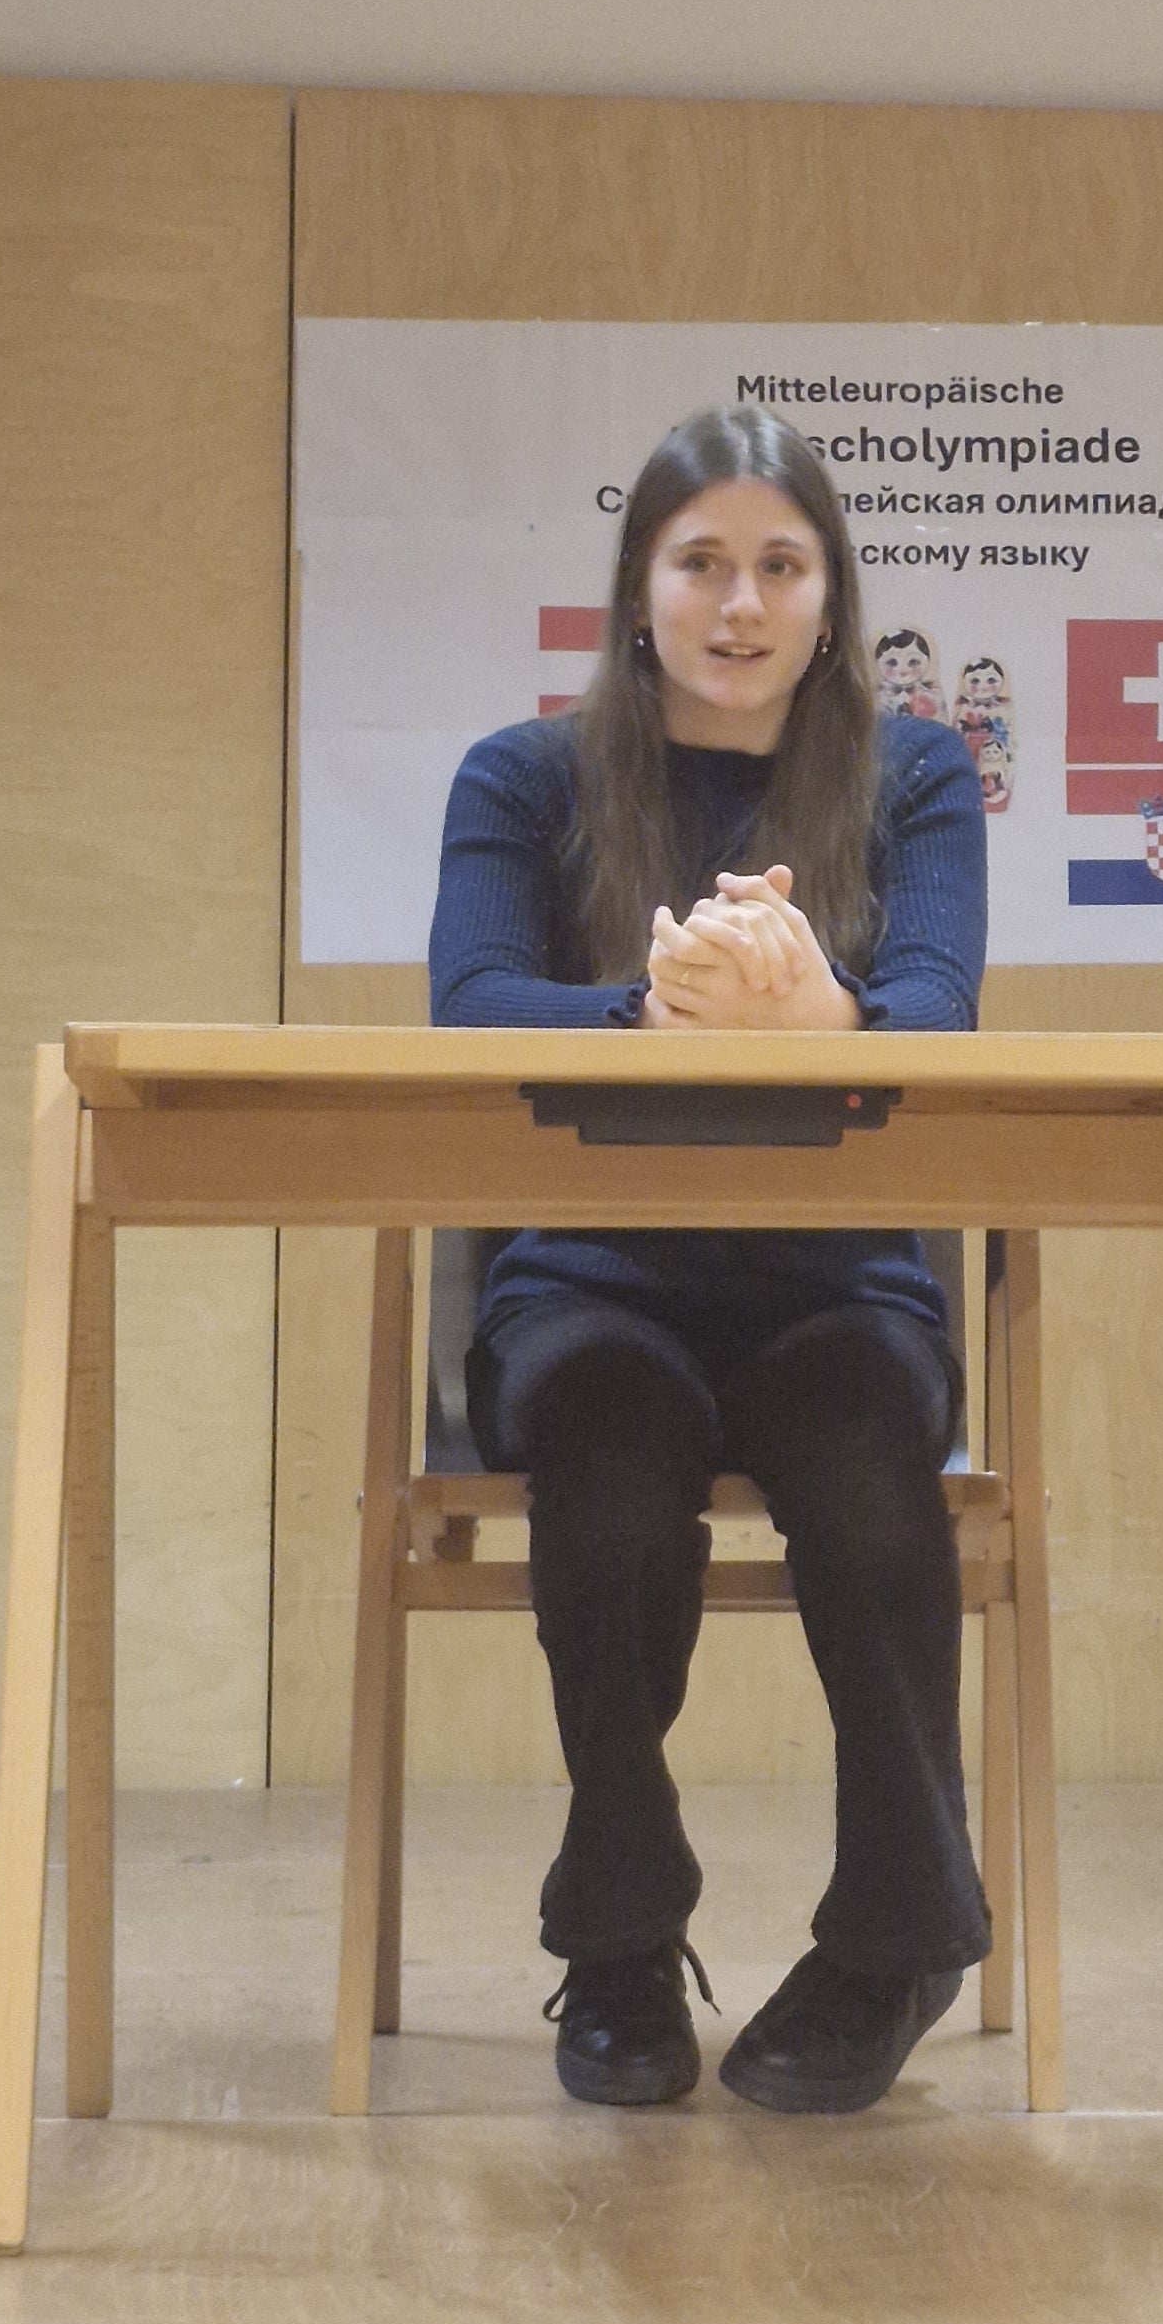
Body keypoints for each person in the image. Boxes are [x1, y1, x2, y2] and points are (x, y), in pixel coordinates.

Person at [428, 403, 991, 2113]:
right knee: (605, 1477)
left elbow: (935, 1020)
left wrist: (816, 1012)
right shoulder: (521, 778)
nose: (741, 604)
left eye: (781, 566)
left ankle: (901, 1939)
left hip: (835, 1286)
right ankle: (618, 1932)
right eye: (701, 563)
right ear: (638, 588)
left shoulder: (916, 776)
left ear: (831, 597)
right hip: (593, 1279)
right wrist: (654, 1010)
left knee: (872, 1473)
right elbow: (474, 1006)